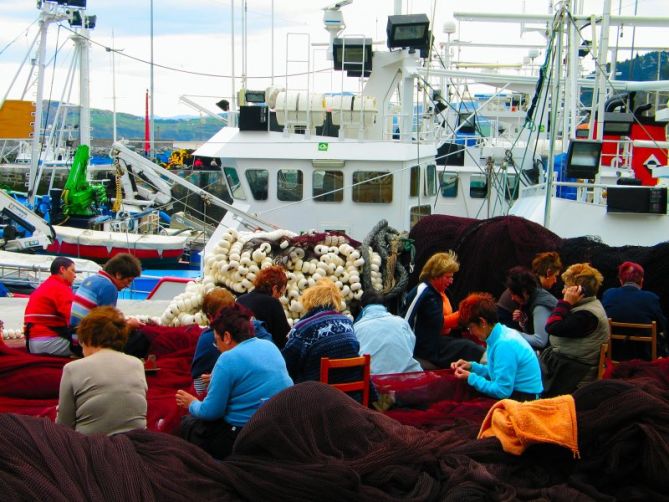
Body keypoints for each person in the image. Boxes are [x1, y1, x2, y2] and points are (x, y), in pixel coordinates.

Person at [176, 304, 292, 460]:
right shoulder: (269, 346)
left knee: (188, 424)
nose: (217, 347)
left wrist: (191, 403)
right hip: (278, 427)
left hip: (243, 434)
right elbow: (252, 378)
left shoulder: (227, 359)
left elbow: (211, 412)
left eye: (216, 341)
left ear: (227, 337)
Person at [56, 306, 147, 435]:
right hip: (137, 440)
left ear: (87, 339)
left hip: (91, 444)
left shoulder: (72, 368)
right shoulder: (137, 364)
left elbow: (64, 425)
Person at [451, 292, 543, 400]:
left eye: (470, 327)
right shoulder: (499, 334)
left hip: (525, 399)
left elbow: (502, 391)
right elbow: (496, 372)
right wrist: (472, 367)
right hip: (520, 393)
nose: (470, 332)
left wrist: (471, 378)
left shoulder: (504, 344)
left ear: (482, 322)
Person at [403, 251, 484, 369]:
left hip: (437, 341)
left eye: (452, 277)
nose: (451, 281)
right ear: (436, 275)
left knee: (470, 346)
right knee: (468, 348)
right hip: (424, 346)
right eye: (448, 277)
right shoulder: (423, 291)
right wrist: (465, 312)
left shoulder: (442, 293)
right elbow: (406, 319)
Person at [542, 263, 610, 395]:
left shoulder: (586, 316)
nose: (563, 291)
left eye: (566, 287)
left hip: (575, 375)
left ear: (578, 291)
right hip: (569, 365)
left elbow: (551, 327)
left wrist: (565, 303)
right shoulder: (588, 306)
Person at [191, 287, 273, 394]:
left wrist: (220, 379)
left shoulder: (208, 338)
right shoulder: (257, 330)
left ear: (210, 317)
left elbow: (201, 390)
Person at [282, 278, 361, 384]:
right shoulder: (347, 322)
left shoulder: (304, 327)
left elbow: (287, 363)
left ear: (309, 301)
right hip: (352, 393)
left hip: (319, 394)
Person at [70, 253, 145, 355]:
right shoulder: (109, 287)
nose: (128, 285)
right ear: (118, 274)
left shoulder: (91, 279)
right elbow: (108, 330)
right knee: (140, 338)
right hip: (85, 344)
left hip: (75, 338)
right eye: (128, 280)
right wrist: (130, 325)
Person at [602, 261, 668, 358]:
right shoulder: (651, 298)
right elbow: (663, 326)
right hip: (644, 357)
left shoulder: (608, 294)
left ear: (621, 280)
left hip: (614, 356)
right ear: (642, 281)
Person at [353, 291, 421, 374]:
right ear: (385, 306)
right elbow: (411, 347)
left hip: (375, 382)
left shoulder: (356, 328)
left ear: (361, 307)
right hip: (410, 378)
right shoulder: (401, 323)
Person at [23, 257, 77, 356]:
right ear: (62, 270)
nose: (75, 276)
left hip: (32, 342)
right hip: (47, 341)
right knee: (97, 345)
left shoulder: (46, 286)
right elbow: (74, 318)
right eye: (72, 270)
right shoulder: (60, 288)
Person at [497, 251, 562, 329]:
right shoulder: (534, 288)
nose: (555, 281)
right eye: (555, 276)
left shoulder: (531, 281)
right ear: (548, 273)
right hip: (508, 316)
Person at [236, 265, 291, 349]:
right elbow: (283, 337)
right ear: (275, 288)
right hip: (263, 353)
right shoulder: (273, 303)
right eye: (280, 293)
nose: (279, 297)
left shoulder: (240, 300)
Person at [505, 266, 558, 350]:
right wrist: (523, 321)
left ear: (524, 292)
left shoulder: (540, 306)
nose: (512, 298)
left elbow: (540, 341)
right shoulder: (532, 296)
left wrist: (513, 333)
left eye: (513, 294)